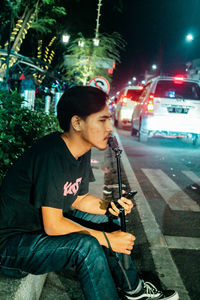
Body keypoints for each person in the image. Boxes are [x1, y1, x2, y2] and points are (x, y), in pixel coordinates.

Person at [0, 86, 179, 300]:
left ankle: (134, 290)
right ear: (77, 123)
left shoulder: (81, 150)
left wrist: (110, 207)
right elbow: (53, 224)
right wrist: (107, 240)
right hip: (11, 246)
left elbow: (78, 198)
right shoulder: (52, 155)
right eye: (102, 120)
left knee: (108, 220)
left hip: (36, 230)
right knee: (87, 246)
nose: (110, 127)